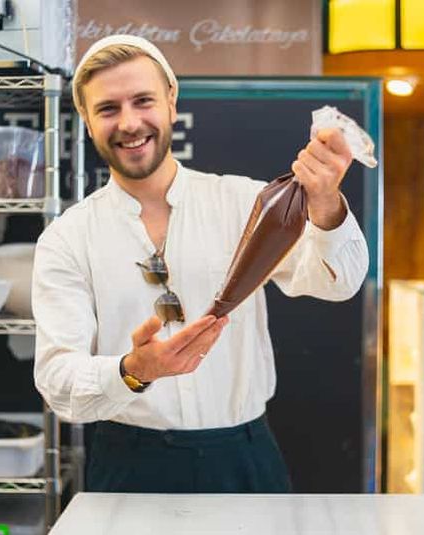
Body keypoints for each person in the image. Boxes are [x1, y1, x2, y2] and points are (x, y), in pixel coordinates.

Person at [32, 35, 369, 493]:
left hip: (244, 457)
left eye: (143, 101)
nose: (129, 123)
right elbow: (57, 379)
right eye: (108, 109)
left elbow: (339, 281)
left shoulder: (246, 203)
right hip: (129, 461)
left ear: (171, 102)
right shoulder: (67, 238)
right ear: (88, 123)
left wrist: (325, 200)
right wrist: (133, 370)